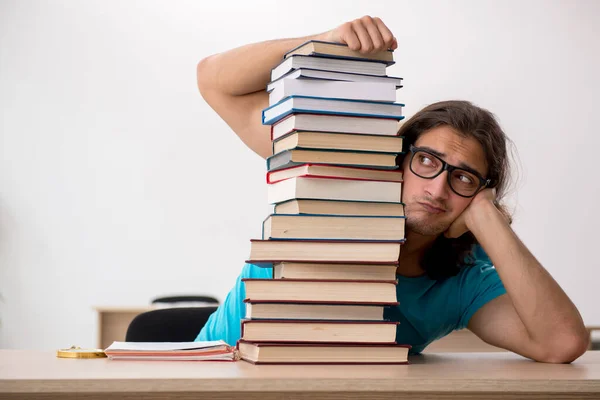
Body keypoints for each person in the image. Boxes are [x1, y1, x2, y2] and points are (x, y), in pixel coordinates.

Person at [193, 16, 589, 363]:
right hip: (212, 379)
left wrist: (486, 214)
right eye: (428, 162)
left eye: (463, 179)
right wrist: (322, 42)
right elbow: (213, 80)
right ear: (399, 158)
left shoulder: (462, 282)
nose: (437, 190)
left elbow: (562, 343)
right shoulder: (335, 175)